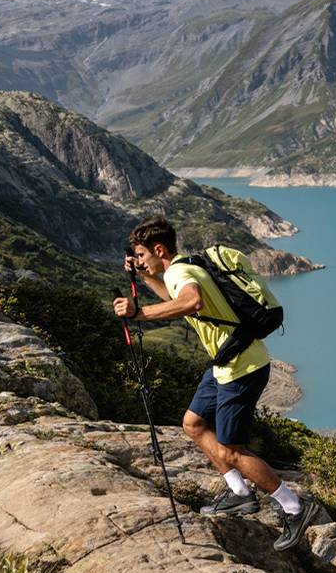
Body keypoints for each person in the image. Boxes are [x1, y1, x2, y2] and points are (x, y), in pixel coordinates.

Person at [113, 215, 324, 551]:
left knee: (231, 450)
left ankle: (294, 506)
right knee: (193, 423)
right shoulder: (183, 266)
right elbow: (175, 293)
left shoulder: (182, 272)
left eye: (140, 256)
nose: (138, 261)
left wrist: (140, 314)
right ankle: (240, 493)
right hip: (227, 363)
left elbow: (190, 301)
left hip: (241, 368)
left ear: (158, 249)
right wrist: (145, 275)